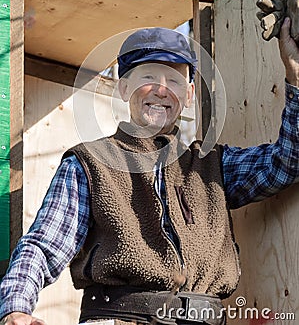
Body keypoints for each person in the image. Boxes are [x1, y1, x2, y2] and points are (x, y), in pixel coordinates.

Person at [0, 18, 298, 325]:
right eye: (149, 76)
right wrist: (16, 308)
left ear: (190, 94)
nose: (161, 89)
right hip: (119, 319)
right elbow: (44, 245)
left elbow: (287, 161)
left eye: (174, 80)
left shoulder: (214, 164)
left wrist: (296, 76)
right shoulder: (89, 163)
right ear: (124, 87)